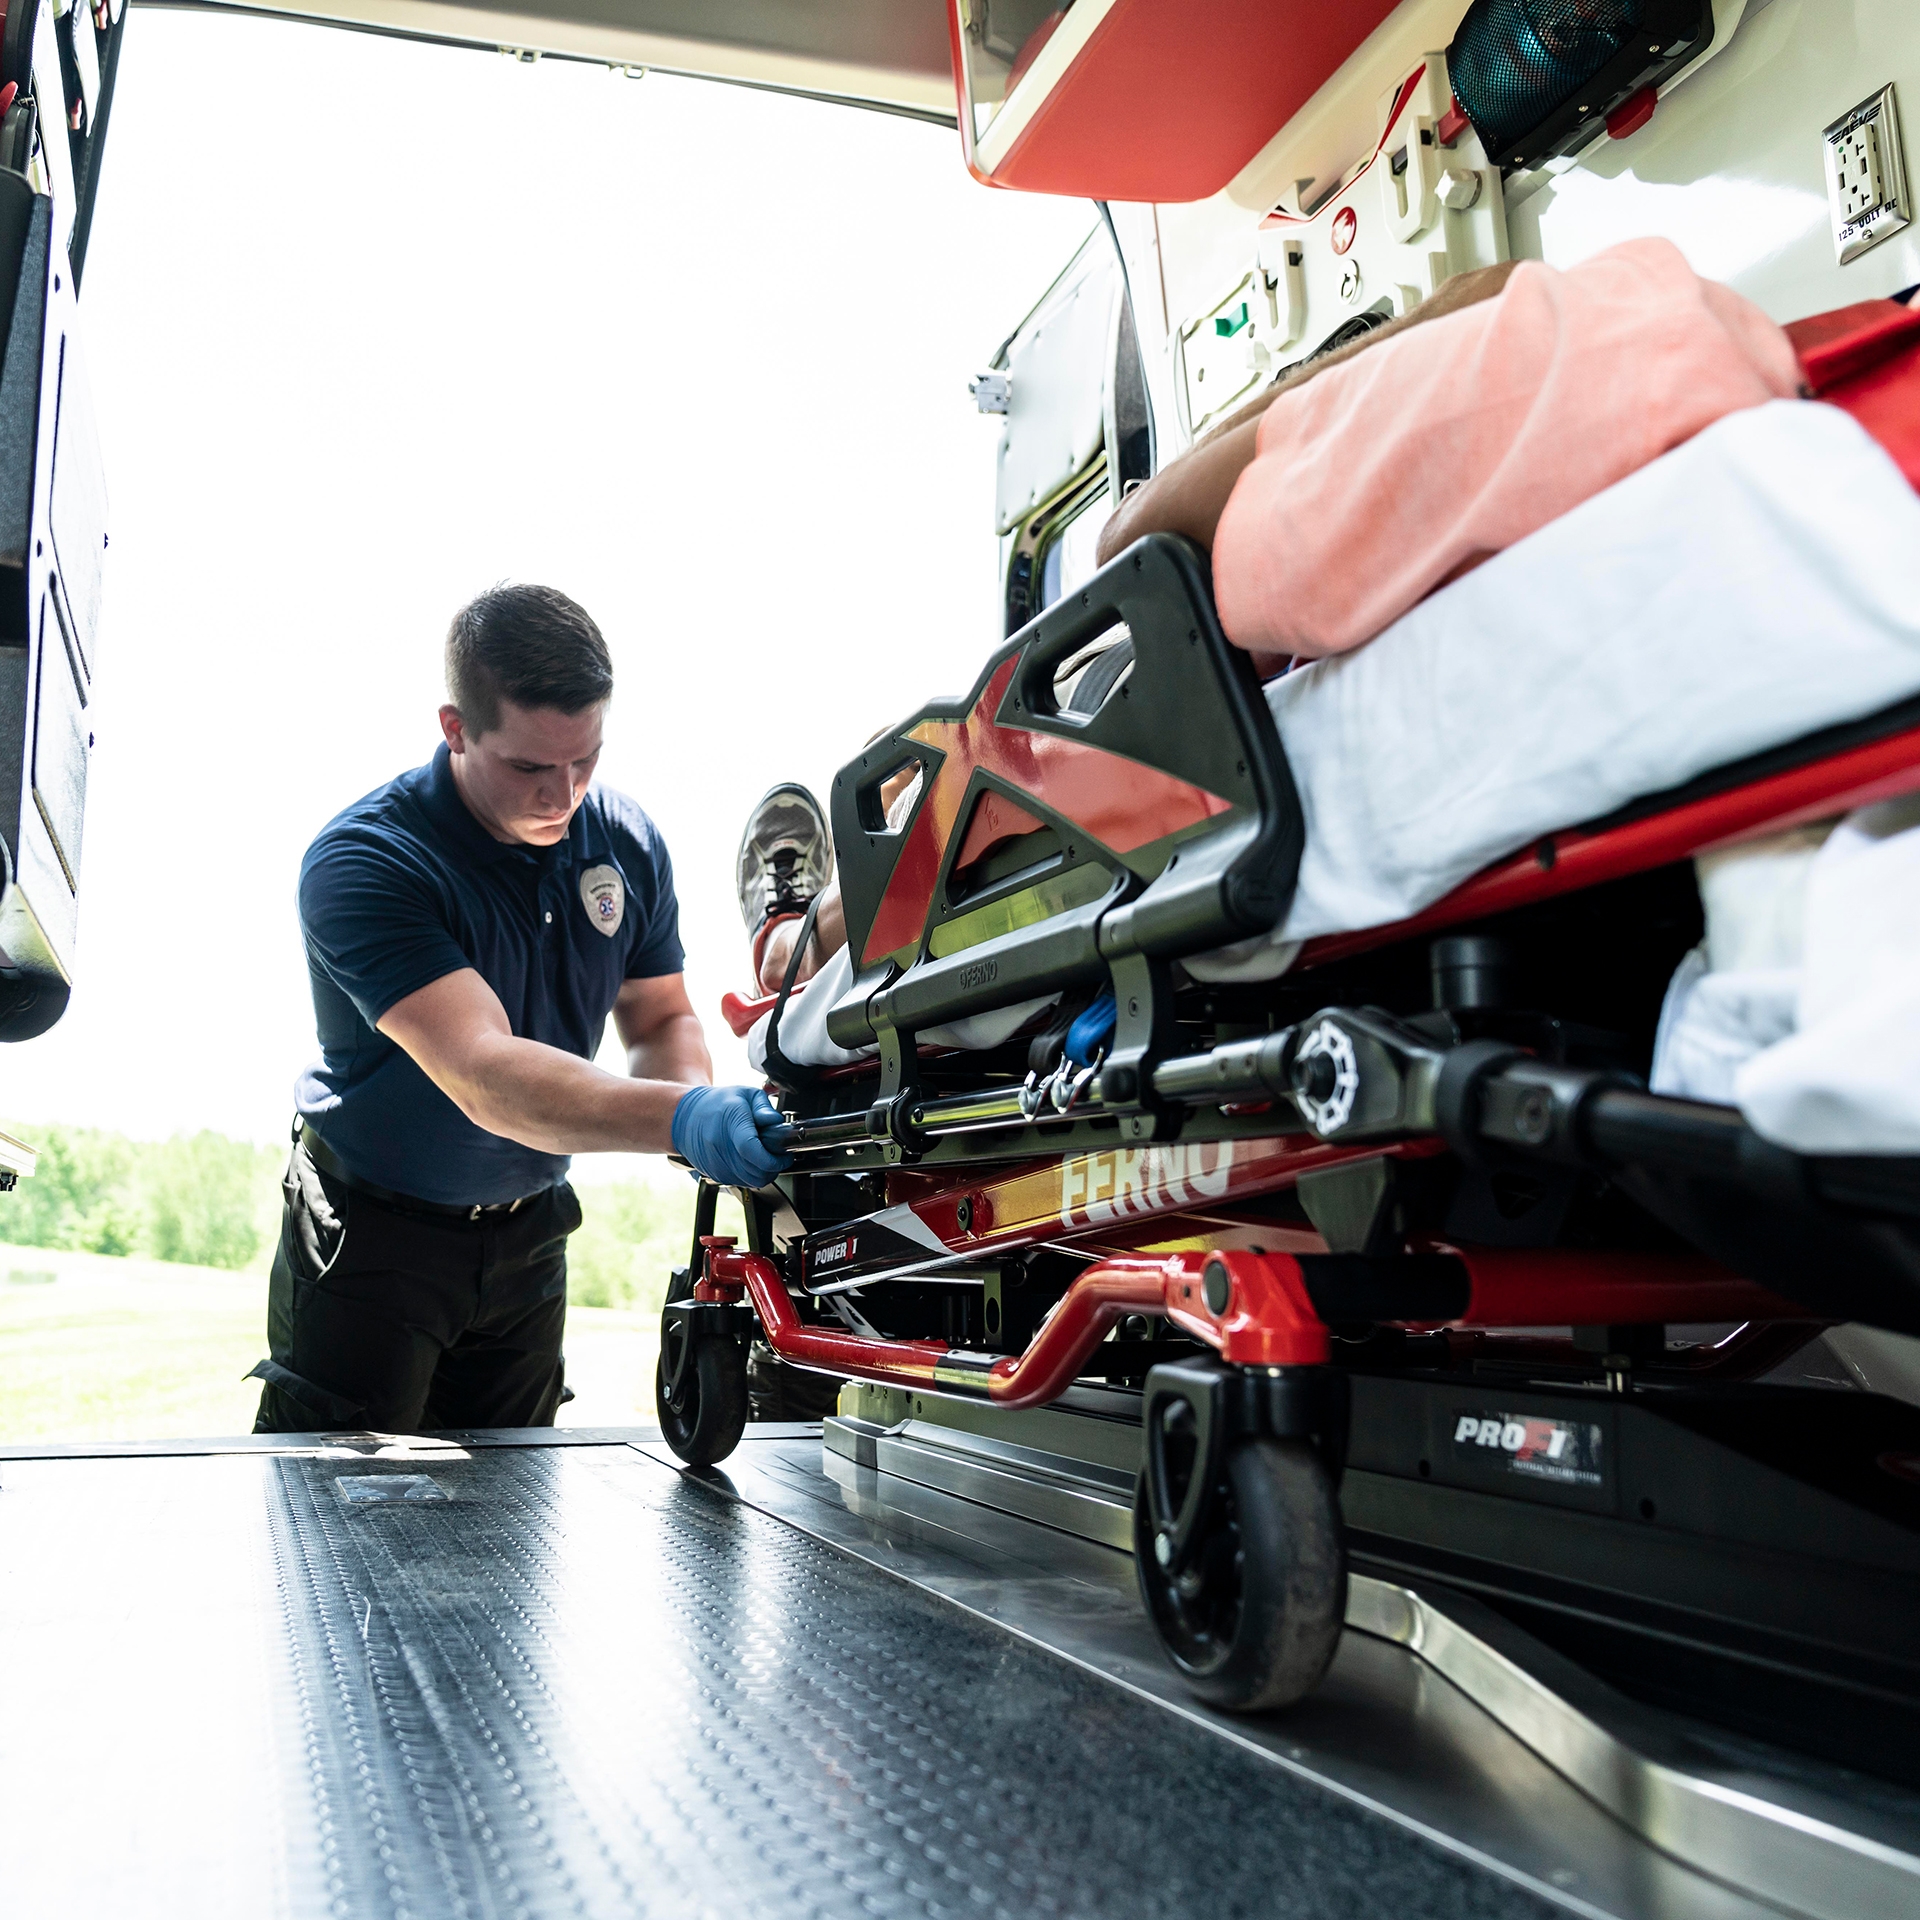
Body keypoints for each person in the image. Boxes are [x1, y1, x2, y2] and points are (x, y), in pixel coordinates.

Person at [251, 584, 790, 1435]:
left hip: (531, 1238)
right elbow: (484, 1075)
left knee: (508, 1522)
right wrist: (681, 1118)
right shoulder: (365, 862)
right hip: (374, 1241)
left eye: (587, 760)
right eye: (532, 767)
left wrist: (697, 1126)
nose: (563, 794)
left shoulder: (627, 843)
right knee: (334, 1525)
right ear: (455, 727)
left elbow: (658, 1022)